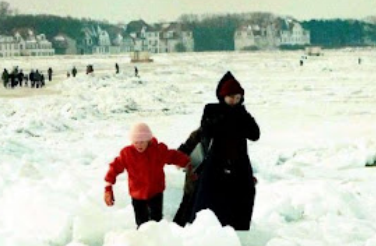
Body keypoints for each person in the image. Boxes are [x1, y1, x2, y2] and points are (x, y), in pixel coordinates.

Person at [189, 71, 260, 230]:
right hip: (216, 162)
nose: (234, 101)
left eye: (238, 98)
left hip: (239, 162)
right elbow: (206, 132)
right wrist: (223, 119)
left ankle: (239, 233)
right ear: (223, 96)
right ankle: (203, 232)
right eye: (231, 97)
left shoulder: (242, 113)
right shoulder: (212, 110)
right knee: (209, 200)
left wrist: (244, 116)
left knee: (243, 197)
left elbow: (255, 135)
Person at [104, 122, 190, 227]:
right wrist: (108, 187)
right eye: (136, 142)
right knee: (141, 221)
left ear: (148, 140)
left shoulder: (158, 151)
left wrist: (187, 163)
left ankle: (158, 237)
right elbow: (114, 168)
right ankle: (142, 238)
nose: (139, 145)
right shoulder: (127, 154)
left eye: (142, 142)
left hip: (155, 192)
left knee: (156, 219)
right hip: (137, 195)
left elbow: (173, 156)